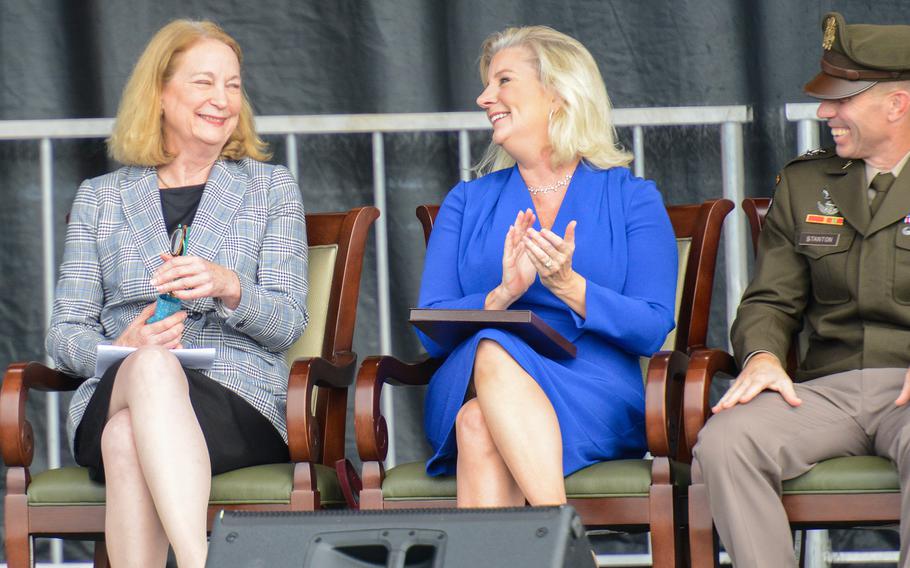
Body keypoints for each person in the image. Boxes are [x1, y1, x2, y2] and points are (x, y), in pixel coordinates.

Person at [46, 20, 307, 568]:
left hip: (236, 400)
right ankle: (200, 560)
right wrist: (121, 341)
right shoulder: (101, 198)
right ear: (160, 94)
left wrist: (230, 286)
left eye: (233, 85)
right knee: (149, 366)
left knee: (125, 440)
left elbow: (287, 324)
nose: (222, 100)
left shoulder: (269, 188)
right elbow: (64, 334)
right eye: (203, 83)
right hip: (117, 383)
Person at [418, 25, 678, 507]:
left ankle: (560, 544)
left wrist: (571, 287)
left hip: (592, 385)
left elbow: (651, 327)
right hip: (473, 375)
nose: (484, 97)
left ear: (557, 94)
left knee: (477, 425)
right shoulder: (466, 202)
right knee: (492, 349)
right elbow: (429, 328)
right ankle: (567, 537)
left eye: (503, 81)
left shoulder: (631, 198)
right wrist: (501, 296)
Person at [693, 12, 910, 567]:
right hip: (825, 389)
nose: (823, 112)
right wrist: (763, 356)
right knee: (726, 441)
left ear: (897, 102)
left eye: (841, 98)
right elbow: (770, 299)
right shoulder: (807, 181)